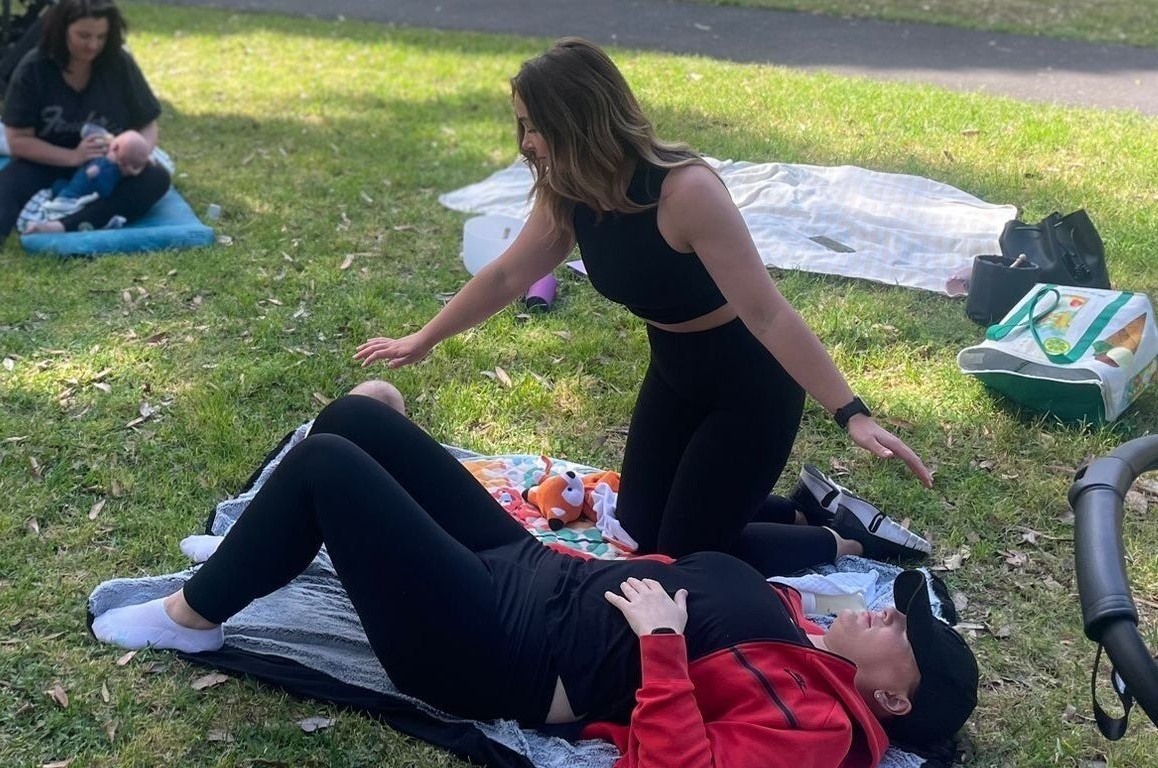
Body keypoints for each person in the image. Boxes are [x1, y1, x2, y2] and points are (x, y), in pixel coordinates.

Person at [93, 394, 978, 766]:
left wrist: (660, 644)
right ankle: (258, 549)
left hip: (502, 648)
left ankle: (192, 617)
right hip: (535, 573)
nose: (887, 618)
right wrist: (829, 551)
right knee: (358, 420)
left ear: (892, 699)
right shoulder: (807, 644)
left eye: (900, 635)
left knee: (328, 466)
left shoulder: (823, 727)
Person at [356, 38, 935, 578]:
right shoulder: (571, 192)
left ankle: (847, 540)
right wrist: (424, 338)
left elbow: (769, 315)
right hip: (675, 373)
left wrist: (852, 413)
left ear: (576, 121)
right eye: (522, 125)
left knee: (684, 559)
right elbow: (508, 274)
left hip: (751, 389)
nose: (525, 143)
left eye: (534, 126)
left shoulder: (686, 192)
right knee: (637, 531)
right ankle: (807, 509)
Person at [0, 0, 170, 267]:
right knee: (1, 183)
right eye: (83, 36)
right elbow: (17, 141)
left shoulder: (119, 63)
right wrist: (73, 157)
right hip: (48, 160)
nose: (92, 45)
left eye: (101, 37)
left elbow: (147, 123)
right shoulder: (34, 68)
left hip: (110, 165)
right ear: (63, 30)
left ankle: (66, 225)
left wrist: (135, 154)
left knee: (156, 179)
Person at [20, 128, 155, 235]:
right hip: (72, 191)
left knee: (62, 198)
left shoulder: (109, 167)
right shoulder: (112, 165)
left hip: (73, 198)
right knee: (62, 190)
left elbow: (104, 189)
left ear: (115, 148)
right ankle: (53, 221)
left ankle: (51, 224)